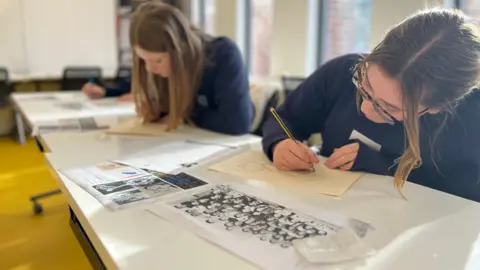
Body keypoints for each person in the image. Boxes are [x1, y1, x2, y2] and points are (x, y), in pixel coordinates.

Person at [262, 8, 480, 202]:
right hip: (321, 207)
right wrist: (279, 144)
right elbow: (285, 118)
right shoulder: (343, 70)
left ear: (436, 107)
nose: (365, 109)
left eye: (387, 108)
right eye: (364, 86)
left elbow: (460, 209)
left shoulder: (469, 122)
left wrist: (385, 167)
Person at [85, 2, 254, 135]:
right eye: (144, 61)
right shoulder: (158, 67)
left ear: (180, 50)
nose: (150, 69)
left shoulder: (223, 54)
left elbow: (236, 124)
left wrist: (182, 111)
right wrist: (159, 109)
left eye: (157, 60)